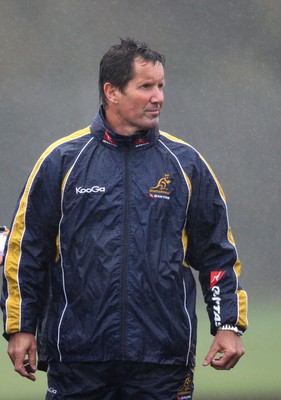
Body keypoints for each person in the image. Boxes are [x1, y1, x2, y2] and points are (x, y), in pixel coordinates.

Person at [1, 38, 248, 400]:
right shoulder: (61, 160)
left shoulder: (187, 164)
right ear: (112, 91)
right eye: (146, 86)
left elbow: (218, 255)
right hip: (78, 361)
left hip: (163, 362)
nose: (158, 97)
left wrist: (228, 325)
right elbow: (27, 253)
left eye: (161, 86)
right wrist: (20, 328)